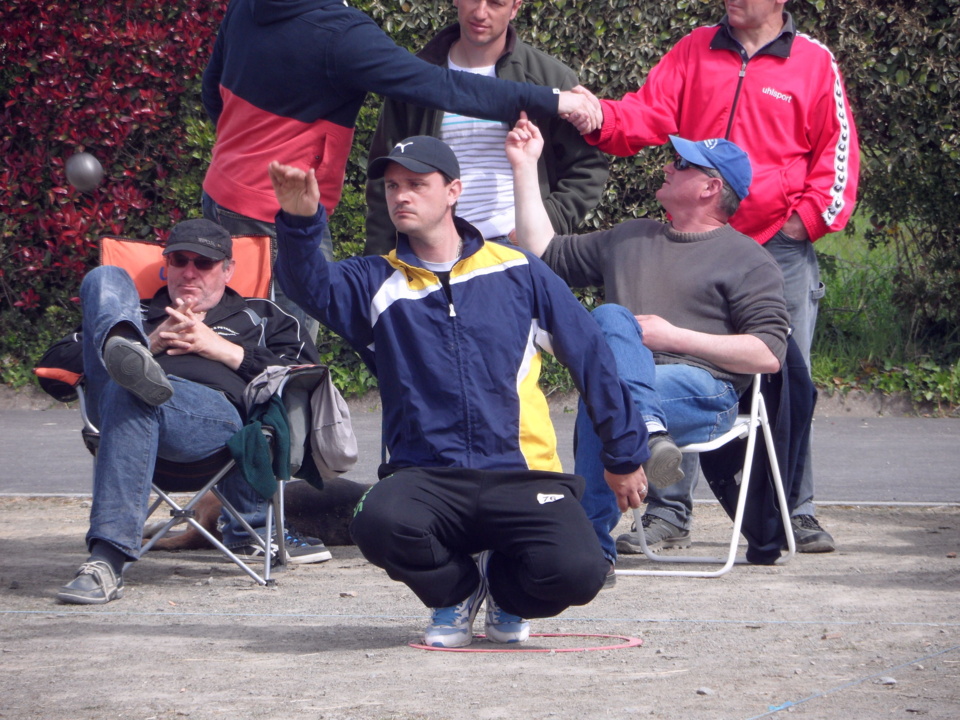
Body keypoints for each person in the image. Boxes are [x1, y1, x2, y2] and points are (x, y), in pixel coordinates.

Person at [267, 136, 648, 647]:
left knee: (581, 570)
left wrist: (623, 453)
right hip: (426, 475)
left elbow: (592, 358)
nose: (401, 196)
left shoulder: (518, 269)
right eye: (392, 186)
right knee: (378, 523)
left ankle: (507, 600)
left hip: (521, 473)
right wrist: (298, 222)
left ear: (453, 192)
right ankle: (457, 594)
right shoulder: (372, 280)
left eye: (417, 185)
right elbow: (308, 287)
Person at [565, 0, 859, 552]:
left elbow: (837, 158)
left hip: (775, 243)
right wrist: (600, 115)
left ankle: (795, 511)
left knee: (789, 381)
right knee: (666, 366)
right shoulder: (694, 47)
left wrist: (802, 224)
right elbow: (646, 113)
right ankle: (668, 514)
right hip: (693, 242)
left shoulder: (815, 62)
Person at [200, 0, 601, 335]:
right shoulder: (342, 34)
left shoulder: (245, 6)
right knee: (284, 353)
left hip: (221, 193)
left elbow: (212, 92)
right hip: (282, 214)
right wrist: (554, 101)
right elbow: (443, 87)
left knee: (233, 333)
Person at [507, 118, 790, 569]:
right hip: (633, 387)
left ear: (710, 187)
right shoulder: (630, 236)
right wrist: (524, 166)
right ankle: (650, 433)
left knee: (605, 398)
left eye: (681, 164)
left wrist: (672, 336)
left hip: (704, 389)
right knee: (610, 320)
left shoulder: (749, 259)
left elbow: (768, 355)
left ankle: (591, 546)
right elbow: (544, 251)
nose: (667, 167)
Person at [56, 219, 328, 606]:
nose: (189, 271)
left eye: (204, 263)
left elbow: (303, 371)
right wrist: (150, 341)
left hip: (209, 423)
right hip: (116, 417)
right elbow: (57, 360)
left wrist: (218, 348)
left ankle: (106, 561)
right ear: (166, 264)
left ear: (228, 270)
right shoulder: (134, 311)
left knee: (134, 391)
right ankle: (132, 358)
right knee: (104, 278)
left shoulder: (258, 315)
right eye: (180, 260)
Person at [363, 0, 608, 255]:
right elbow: (385, 177)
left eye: (495, 3)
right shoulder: (417, 79)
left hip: (516, 251)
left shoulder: (548, 78)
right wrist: (379, 262)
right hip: (433, 252)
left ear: (514, 8)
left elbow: (587, 169)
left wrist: (544, 221)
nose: (480, 12)